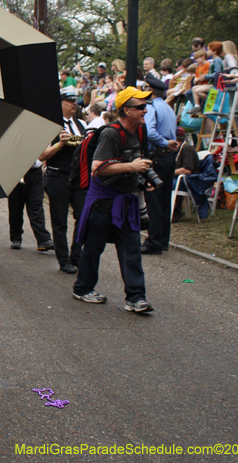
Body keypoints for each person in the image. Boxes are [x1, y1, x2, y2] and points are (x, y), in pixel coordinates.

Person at [73, 86, 154, 314]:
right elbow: (97, 168)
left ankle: (136, 298)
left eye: (145, 106)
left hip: (127, 201)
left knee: (132, 249)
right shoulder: (111, 133)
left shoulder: (140, 130)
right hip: (104, 202)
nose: (145, 111)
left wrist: (143, 176)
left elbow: (139, 159)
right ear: (126, 110)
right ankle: (83, 288)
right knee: (93, 248)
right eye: (141, 107)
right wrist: (132, 167)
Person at [40, 86, 88, 274]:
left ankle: (77, 255)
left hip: (77, 177)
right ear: (59, 103)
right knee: (59, 220)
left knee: (83, 217)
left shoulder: (81, 124)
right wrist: (60, 144)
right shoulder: (51, 126)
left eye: (75, 101)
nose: (74, 104)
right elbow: (42, 155)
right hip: (57, 175)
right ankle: (64, 260)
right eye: (70, 101)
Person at [140, 77, 179, 255]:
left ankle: (153, 241)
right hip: (169, 157)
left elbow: (149, 132)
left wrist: (164, 142)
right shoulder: (168, 107)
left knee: (153, 199)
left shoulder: (151, 107)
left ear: (150, 91)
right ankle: (163, 239)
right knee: (164, 200)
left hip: (158, 155)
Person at [8, 160, 53, 252]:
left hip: (35, 172)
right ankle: (16, 237)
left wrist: (44, 166)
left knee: (36, 206)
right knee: (15, 207)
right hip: (16, 172)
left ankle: (43, 239)